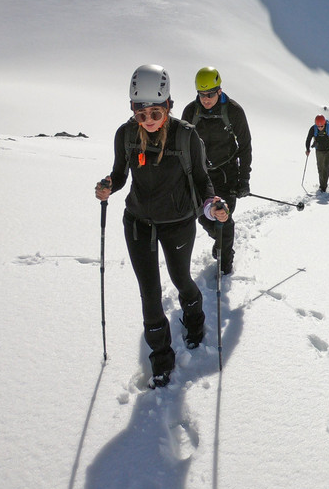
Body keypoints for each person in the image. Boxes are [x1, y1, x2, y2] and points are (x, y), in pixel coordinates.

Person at [94, 64, 229, 389]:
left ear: (168, 105)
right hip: (138, 221)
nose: (149, 120)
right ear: (133, 110)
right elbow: (121, 173)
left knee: (181, 279)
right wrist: (109, 185)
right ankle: (161, 361)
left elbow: (201, 181)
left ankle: (195, 321)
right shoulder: (126, 135)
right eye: (142, 113)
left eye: (156, 111)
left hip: (179, 222)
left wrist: (212, 207)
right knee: (150, 294)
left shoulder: (186, 136)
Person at [181, 66, 252, 275]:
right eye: (201, 95)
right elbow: (181, 145)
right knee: (205, 218)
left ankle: (225, 262)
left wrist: (243, 180)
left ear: (219, 90)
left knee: (224, 218)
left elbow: (245, 146)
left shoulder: (234, 111)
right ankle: (221, 242)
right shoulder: (190, 112)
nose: (206, 99)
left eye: (210, 94)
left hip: (227, 173)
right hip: (201, 176)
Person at [305, 114, 329, 193]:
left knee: (326, 167)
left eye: (321, 126)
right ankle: (322, 185)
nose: (320, 128)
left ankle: (323, 187)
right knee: (320, 168)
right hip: (319, 150)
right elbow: (308, 139)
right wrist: (307, 149)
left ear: (324, 124)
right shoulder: (313, 129)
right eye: (318, 126)